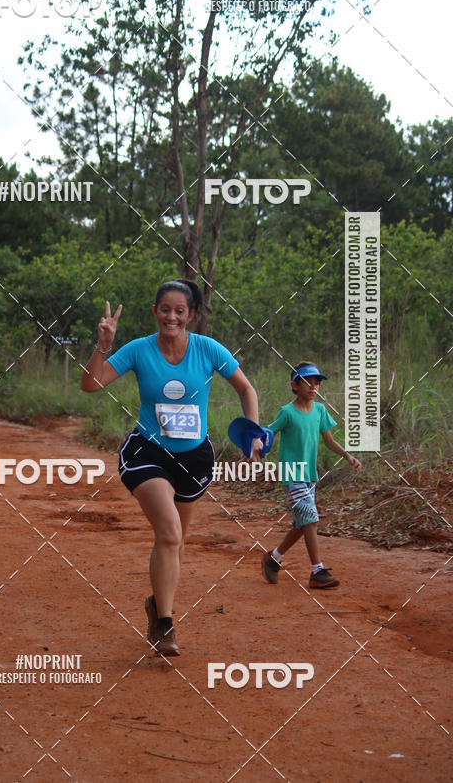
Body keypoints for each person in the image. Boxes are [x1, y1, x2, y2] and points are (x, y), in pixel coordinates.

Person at [80, 280, 262, 657]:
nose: (172, 317)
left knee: (176, 543)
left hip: (194, 459)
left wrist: (253, 433)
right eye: (165, 309)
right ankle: (165, 624)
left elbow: (246, 389)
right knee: (169, 531)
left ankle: (156, 603)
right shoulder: (139, 349)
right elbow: (91, 385)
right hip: (147, 453)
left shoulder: (208, 349)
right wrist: (104, 344)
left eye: (180, 311)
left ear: (191, 315)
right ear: (155, 312)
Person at [261, 361, 361, 590]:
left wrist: (347, 456)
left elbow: (329, 440)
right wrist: (256, 448)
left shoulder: (320, 411)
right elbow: (268, 433)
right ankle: (317, 571)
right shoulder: (287, 412)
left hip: (309, 476)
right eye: (308, 382)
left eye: (317, 383)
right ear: (294, 385)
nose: (313, 387)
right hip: (291, 475)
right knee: (311, 520)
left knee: (302, 524)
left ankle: (273, 558)